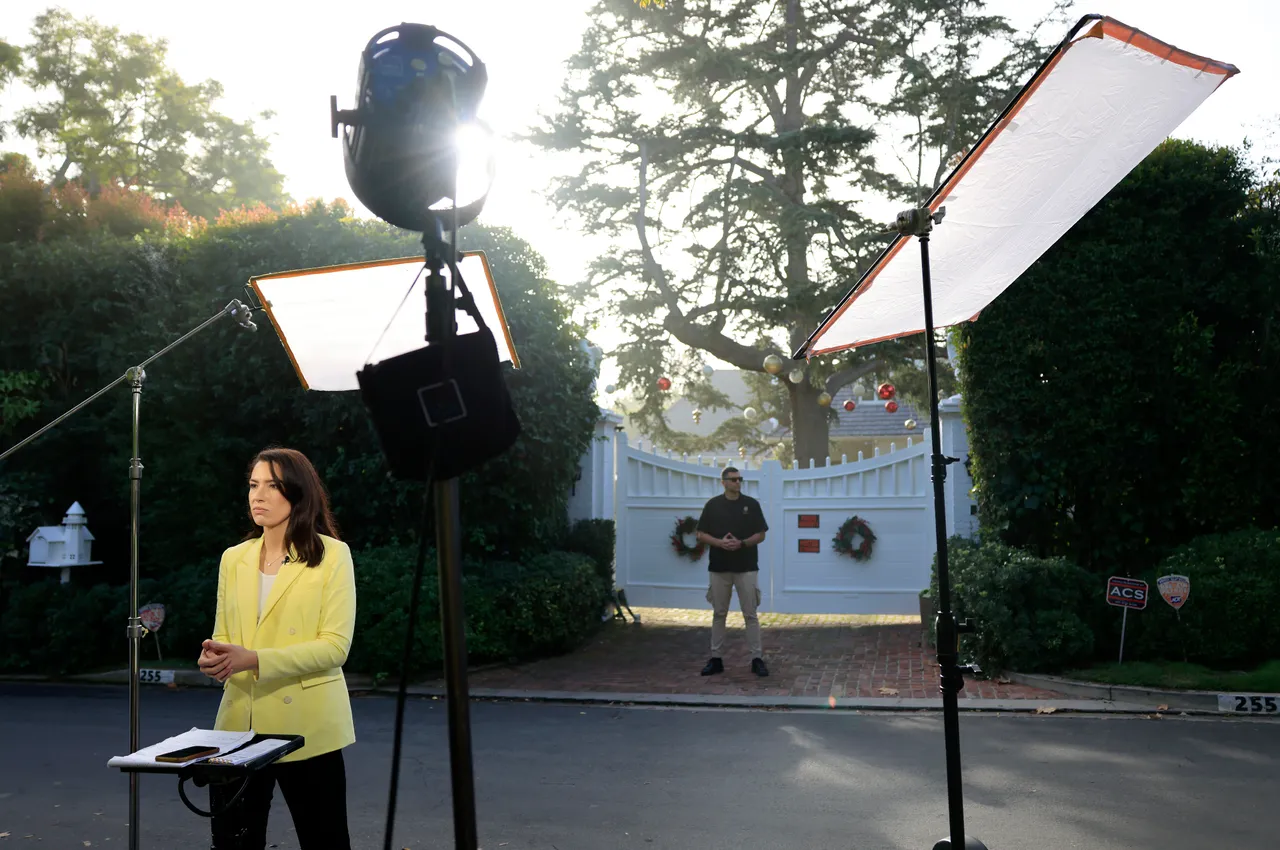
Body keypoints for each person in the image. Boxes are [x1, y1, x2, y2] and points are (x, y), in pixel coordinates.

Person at [197, 447, 356, 850]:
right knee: (233, 844)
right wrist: (215, 659)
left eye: (272, 486)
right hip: (238, 727)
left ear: (298, 494)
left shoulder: (332, 555)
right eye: (253, 485)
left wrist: (253, 659)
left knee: (325, 841)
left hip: (308, 728)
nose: (258, 495)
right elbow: (223, 636)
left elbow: (334, 647)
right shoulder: (233, 559)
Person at [695, 465, 769, 677]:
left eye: (740, 479)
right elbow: (700, 533)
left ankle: (757, 658)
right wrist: (719, 543)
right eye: (733, 479)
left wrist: (743, 543)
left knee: (750, 614)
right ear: (724, 482)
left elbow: (761, 534)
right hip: (719, 567)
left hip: (746, 567)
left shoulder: (751, 505)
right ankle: (716, 658)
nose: (738, 483)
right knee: (719, 613)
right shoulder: (713, 505)